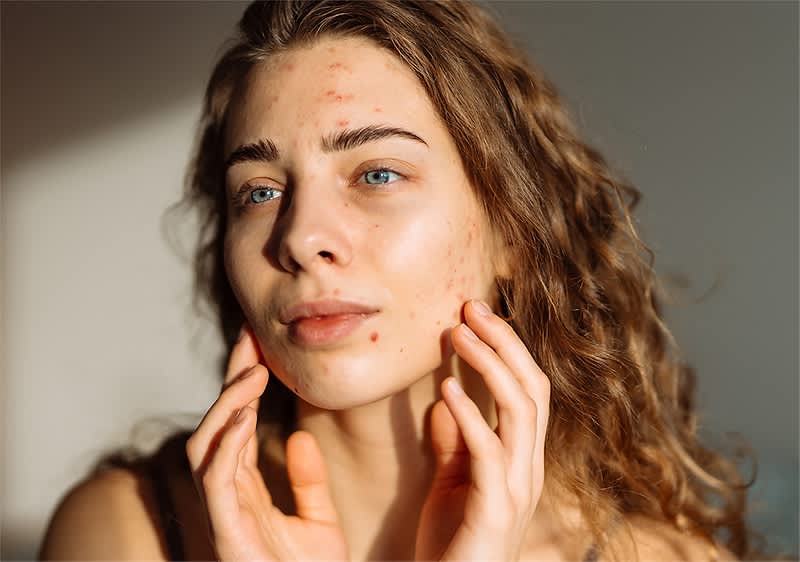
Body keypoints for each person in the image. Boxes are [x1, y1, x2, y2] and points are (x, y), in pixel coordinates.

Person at [39, 1, 763, 560]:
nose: (300, 238)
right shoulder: (127, 532)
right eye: (258, 191)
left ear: (514, 230)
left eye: (377, 174)